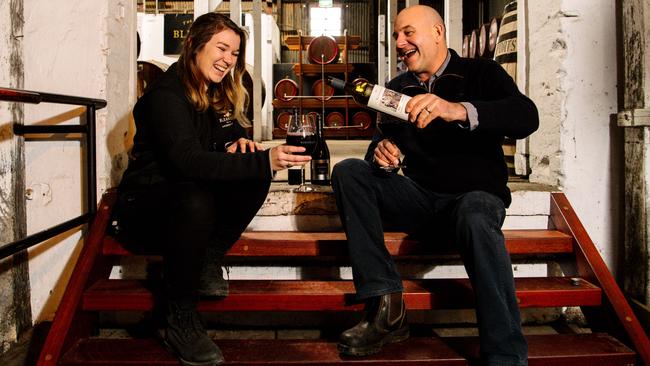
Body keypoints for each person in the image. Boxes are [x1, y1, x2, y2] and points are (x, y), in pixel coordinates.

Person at [331, 5, 538, 366]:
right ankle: (385, 307)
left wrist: (457, 110)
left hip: (474, 200)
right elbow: (376, 153)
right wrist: (381, 154)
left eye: (408, 32)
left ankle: (505, 353)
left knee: (475, 215)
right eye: (396, 35)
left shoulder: (480, 73)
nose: (400, 42)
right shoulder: (396, 90)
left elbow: (526, 116)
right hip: (421, 200)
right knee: (349, 171)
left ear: (438, 32)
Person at [112, 12, 310, 366]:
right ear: (193, 45)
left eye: (234, 53)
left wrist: (240, 143)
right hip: (144, 206)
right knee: (199, 194)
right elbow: (187, 161)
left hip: (188, 204)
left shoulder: (215, 91)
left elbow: (225, 134)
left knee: (250, 171)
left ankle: (207, 257)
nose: (228, 60)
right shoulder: (166, 96)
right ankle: (180, 317)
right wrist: (265, 160)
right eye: (221, 48)